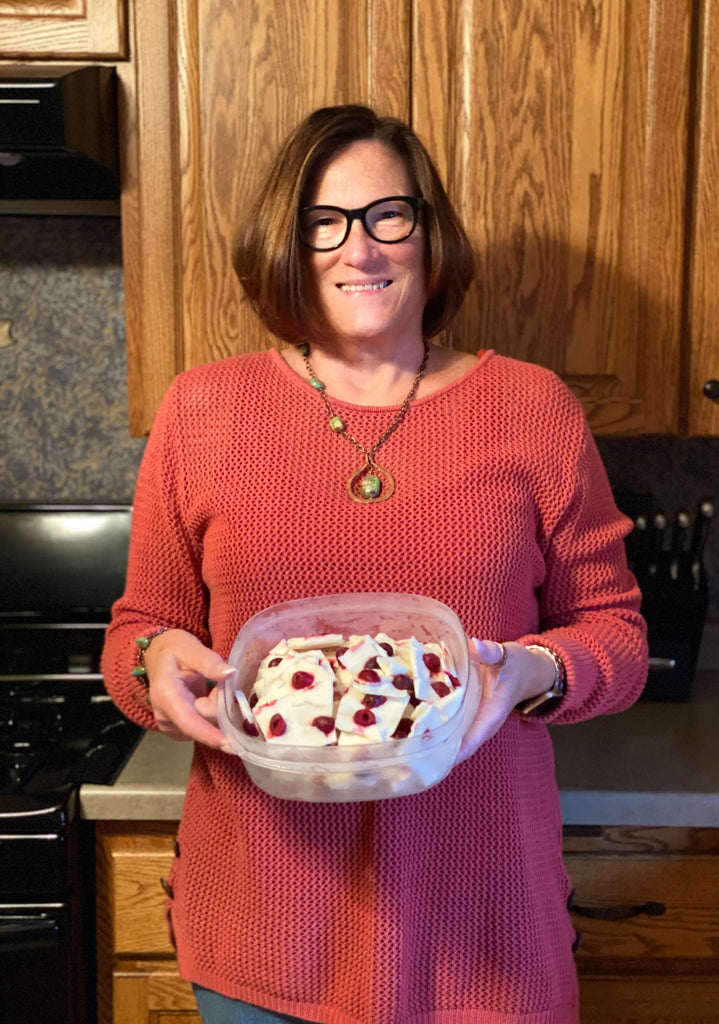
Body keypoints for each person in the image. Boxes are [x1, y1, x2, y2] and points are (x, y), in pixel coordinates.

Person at [102, 104, 648, 1024]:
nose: (360, 250)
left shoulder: (533, 408)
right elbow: (137, 634)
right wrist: (153, 663)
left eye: (388, 215)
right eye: (325, 222)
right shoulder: (202, 413)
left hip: (486, 932)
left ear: (430, 236)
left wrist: (534, 671)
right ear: (287, 245)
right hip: (262, 931)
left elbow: (619, 636)